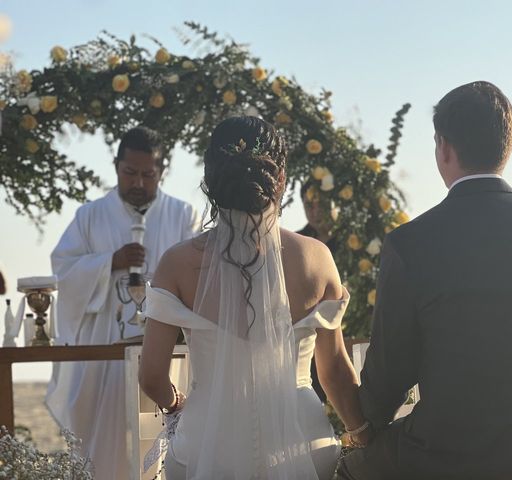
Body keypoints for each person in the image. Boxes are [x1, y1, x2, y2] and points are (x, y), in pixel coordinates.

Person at [338, 81, 512, 480]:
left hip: (446, 455)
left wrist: (366, 426)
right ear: (507, 144)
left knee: (346, 469)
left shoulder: (411, 242)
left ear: (443, 148)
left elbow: (391, 372)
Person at [139, 116, 370, 480]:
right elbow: (335, 372)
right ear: (280, 179)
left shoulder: (177, 263)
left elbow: (151, 376)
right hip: (302, 445)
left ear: (211, 178)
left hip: (208, 446)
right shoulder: (316, 257)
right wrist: (361, 432)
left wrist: (176, 404)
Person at [46, 126, 199, 480]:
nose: (139, 183)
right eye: (130, 173)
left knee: (164, 441)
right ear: (116, 167)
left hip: (166, 349)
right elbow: (63, 271)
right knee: (103, 444)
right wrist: (106, 263)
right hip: (105, 354)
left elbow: (198, 278)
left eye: (149, 174)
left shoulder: (183, 215)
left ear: (162, 171)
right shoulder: (90, 215)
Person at [297, 180, 338, 403]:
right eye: (308, 205)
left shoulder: (356, 240)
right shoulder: (298, 244)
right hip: (310, 344)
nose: (313, 211)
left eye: (319, 204)